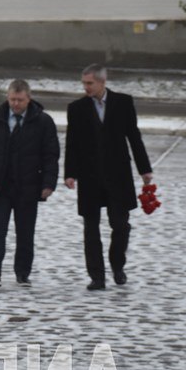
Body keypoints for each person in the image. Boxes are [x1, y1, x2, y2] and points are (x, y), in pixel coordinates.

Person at [64, 63, 153, 291]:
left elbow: (133, 136)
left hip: (118, 175)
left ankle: (117, 265)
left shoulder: (123, 103)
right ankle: (97, 276)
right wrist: (70, 173)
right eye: (83, 83)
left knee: (120, 225)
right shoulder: (77, 108)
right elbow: (72, 143)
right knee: (90, 228)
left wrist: (145, 169)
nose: (86, 87)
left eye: (90, 83)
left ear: (103, 82)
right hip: (90, 176)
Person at [0, 79, 60, 287]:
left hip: (29, 186)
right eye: (12, 99)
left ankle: (22, 272)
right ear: (7, 97)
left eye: (20, 100)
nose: (15, 104)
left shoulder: (43, 121)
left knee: (25, 231)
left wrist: (49, 183)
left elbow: (51, 155)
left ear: (28, 98)